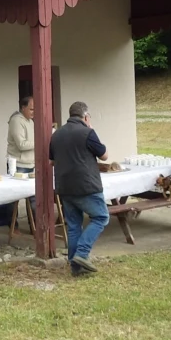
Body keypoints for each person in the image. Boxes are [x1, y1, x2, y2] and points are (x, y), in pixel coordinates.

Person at [49, 101, 110, 275]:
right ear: (85, 116)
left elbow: (51, 161)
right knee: (101, 217)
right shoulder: (88, 132)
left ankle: (75, 266)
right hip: (86, 185)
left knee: (74, 226)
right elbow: (105, 156)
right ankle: (82, 253)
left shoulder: (56, 135)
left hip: (64, 186)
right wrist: (90, 129)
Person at [7, 95, 36, 229]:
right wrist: (41, 141)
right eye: (31, 109)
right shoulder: (16, 121)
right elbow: (21, 145)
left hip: (30, 164)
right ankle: (14, 227)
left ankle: (35, 228)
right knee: (14, 199)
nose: (33, 112)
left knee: (34, 198)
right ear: (23, 108)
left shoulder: (31, 121)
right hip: (18, 165)